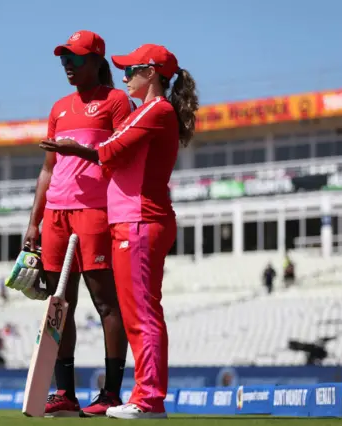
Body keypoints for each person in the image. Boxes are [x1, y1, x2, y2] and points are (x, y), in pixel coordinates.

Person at [41, 43, 199, 419]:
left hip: (141, 219)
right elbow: (112, 150)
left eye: (132, 71)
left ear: (152, 74)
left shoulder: (157, 110)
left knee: (142, 314)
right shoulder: (147, 110)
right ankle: (143, 395)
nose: (125, 77)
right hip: (129, 220)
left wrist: (74, 149)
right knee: (135, 313)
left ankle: (149, 399)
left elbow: (110, 150)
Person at [13, 30, 133, 417]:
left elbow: (122, 157)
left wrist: (79, 150)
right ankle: (65, 393)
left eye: (76, 58)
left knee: (105, 302)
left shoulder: (116, 102)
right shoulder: (59, 107)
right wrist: (34, 221)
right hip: (56, 216)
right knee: (58, 303)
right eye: (64, 59)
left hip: (96, 210)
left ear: (97, 60)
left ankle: (111, 393)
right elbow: (47, 171)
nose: (68, 65)